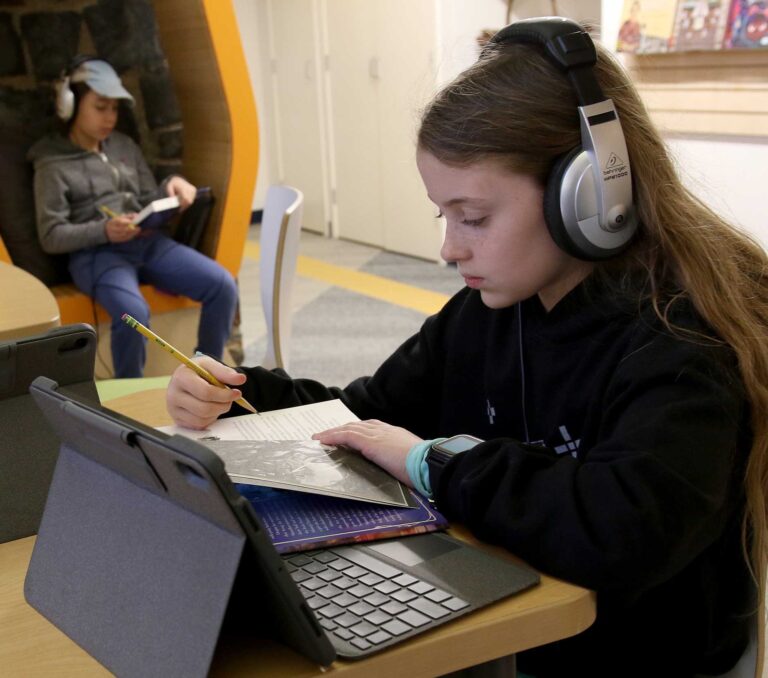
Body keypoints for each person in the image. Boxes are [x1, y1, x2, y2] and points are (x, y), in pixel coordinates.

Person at [165, 18, 768, 677]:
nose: (450, 248)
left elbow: (619, 529)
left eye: (474, 217)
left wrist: (432, 463)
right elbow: (363, 420)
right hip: (514, 631)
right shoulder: (486, 314)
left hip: (647, 658)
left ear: (591, 197)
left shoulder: (682, 337)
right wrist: (242, 392)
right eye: (442, 215)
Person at [28, 56, 238, 378]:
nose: (110, 117)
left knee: (222, 285)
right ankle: (129, 402)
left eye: (114, 108)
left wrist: (171, 187)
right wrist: (105, 231)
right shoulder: (52, 164)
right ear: (69, 105)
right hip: (98, 255)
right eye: (100, 107)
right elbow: (51, 234)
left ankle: (207, 380)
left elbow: (146, 199)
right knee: (133, 314)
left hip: (148, 243)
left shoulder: (123, 145)